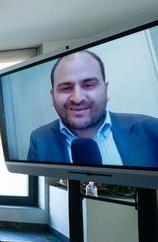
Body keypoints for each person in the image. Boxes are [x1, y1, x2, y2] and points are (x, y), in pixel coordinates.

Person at [26, 50, 158, 167]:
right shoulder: (40, 139)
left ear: (105, 90)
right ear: (52, 96)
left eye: (88, 85)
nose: (77, 99)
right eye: (66, 88)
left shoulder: (152, 129)